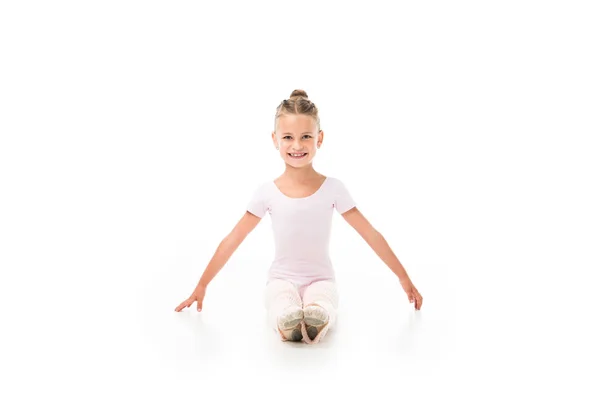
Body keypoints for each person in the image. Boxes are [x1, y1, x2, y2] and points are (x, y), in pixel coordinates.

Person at [175, 89, 423, 344]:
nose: (297, 145)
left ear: (320, 138)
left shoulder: (333, 189)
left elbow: (370, 234)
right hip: (281, 278)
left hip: (322, 278)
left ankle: (318, 318)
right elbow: (233, 239)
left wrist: (403, 277)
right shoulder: (267, 193)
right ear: (275, 139)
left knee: (323, 301)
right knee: (280, 301)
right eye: (288, 137)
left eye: (306, 136)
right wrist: (202, 284)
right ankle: (287, 321)